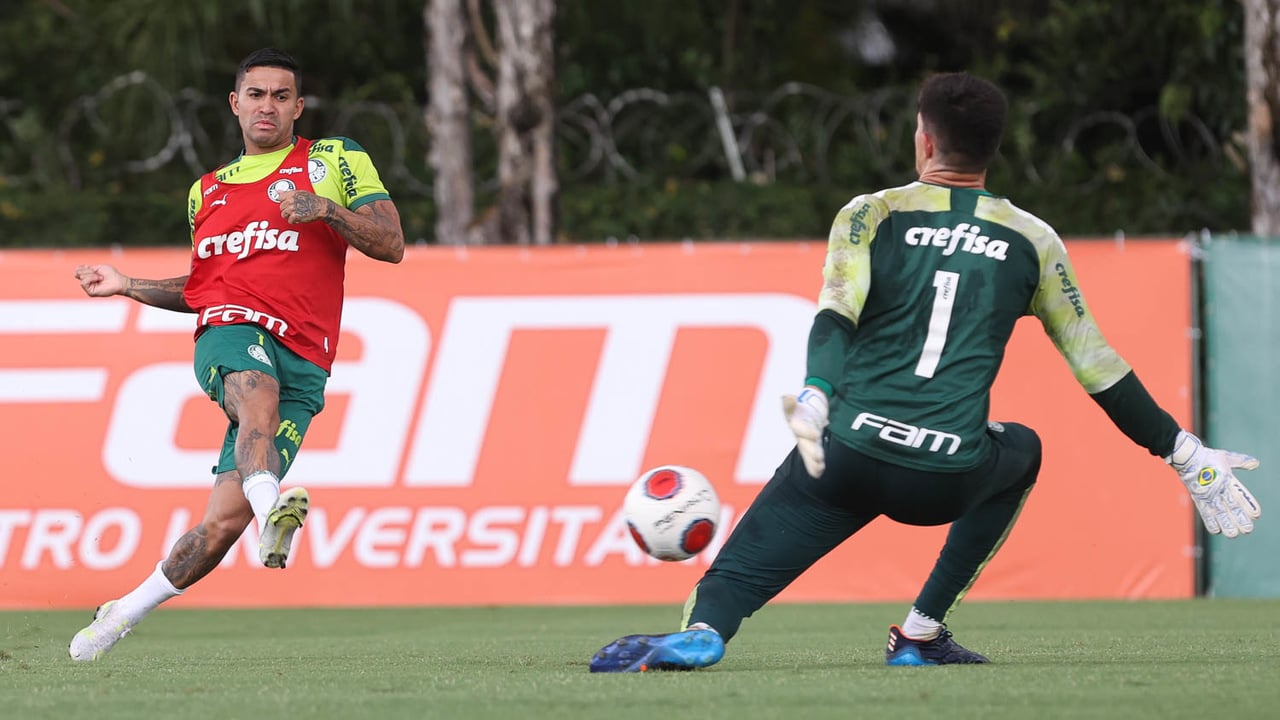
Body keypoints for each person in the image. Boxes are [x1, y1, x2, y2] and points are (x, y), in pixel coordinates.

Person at [588, 71, 1262, 672]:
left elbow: (835, 318)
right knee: (1021, 448)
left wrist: (818, 397)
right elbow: (1099, 368)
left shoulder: (869, 213)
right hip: (945, 478)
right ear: (992, 150)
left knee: (744, 563)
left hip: (847, 453)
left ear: (925, 141)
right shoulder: (1033, 240)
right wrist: (1183, 452)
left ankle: (708, 629)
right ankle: (919, 633)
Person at [68, 48, 405, 661]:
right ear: (235, 104)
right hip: (230, 330)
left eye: (281, 96)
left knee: (221, 527)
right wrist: (129, 285)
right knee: (256, 395)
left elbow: (392, 243)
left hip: (307, 354)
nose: (268, 106)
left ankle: (117, 616)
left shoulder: (333, 160)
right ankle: (274, 506)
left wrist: (327, 209)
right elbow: (204, 292)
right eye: (256, 95)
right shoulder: (206, 193)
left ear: (298, 107)